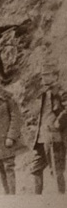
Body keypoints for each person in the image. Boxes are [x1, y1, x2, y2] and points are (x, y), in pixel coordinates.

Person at [30, 64, 67, 194]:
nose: (44, 77)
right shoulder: (44, 93)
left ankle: (61, 201)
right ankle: (37, 201)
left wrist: (59, 122)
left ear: (55, 76)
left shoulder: (61, 91)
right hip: (41, 138)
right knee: (35, 169)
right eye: (43, 75)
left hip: (55, 138)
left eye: (47, 74)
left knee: (57, 172)